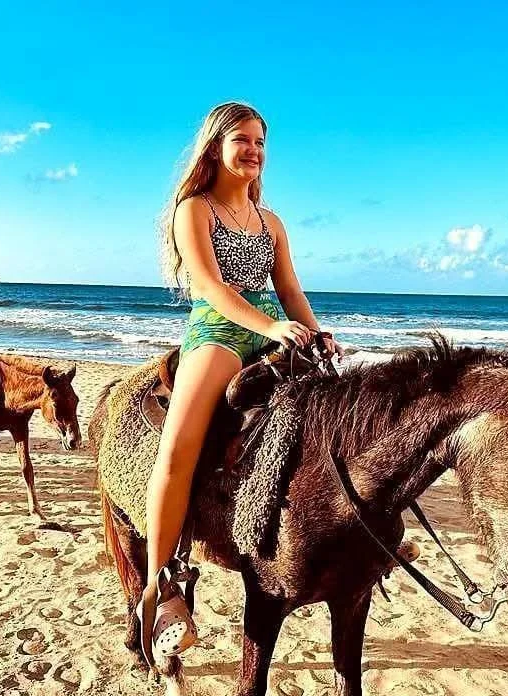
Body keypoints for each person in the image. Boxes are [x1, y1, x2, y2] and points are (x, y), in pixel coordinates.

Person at [138, 102, 344, 667]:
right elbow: (207, 284)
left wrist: (317, 334)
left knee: (338, 426)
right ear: (215, 148)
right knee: (178, 448)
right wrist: (271, 325)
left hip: (270, 333)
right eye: (242, 141)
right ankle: (158, 586)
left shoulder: (269, 220)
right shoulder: (194, 210)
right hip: (218, 334)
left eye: (260, 142)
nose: (253, 151)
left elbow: (290, 287)